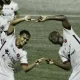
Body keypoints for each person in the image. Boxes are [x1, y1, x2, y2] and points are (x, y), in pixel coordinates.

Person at [37, 15, 80, 80]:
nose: (51, 38)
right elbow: (68, 67)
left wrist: (47, 18)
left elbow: (64, 18)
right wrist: (55, 62)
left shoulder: (67, 32)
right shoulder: (61, 52)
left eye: (51, 36)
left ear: (57, 33)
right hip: (77, 70)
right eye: (50, 39)